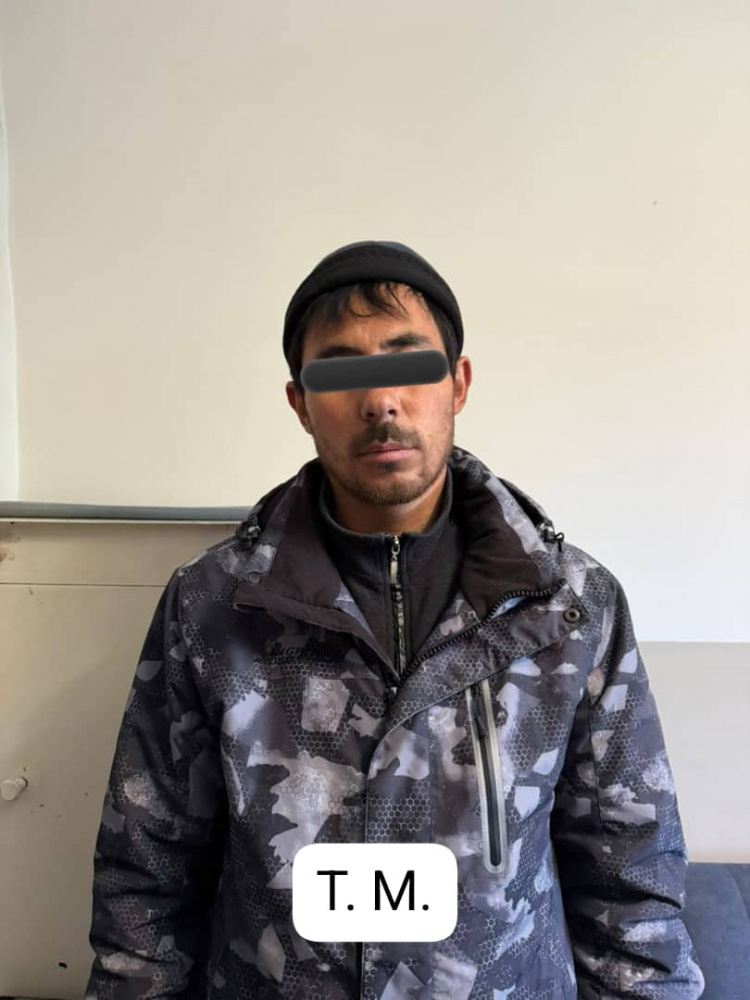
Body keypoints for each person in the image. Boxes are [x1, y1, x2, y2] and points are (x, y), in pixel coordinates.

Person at [84, 241, 705, 999]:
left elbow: (630, 879)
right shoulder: (212, 607)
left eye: (410, 364)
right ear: (300, 403)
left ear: (458, 384)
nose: (380, 401)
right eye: (340, 372)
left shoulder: (568, 607)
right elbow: (146, 873)